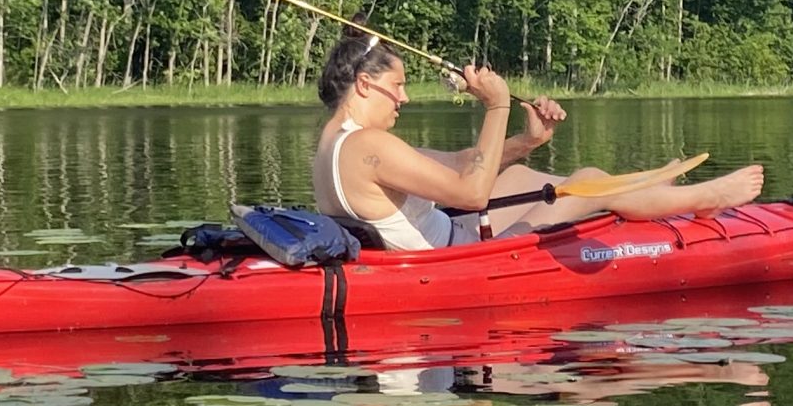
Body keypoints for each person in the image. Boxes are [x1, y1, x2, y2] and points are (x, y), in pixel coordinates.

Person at [310, 27, 763, 250]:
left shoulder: (338, 142)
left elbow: (459, 163)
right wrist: (497, 106)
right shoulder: (369, 146)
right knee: (586, 179)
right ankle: (707, 196)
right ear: (366, 85)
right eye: (399, 86)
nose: (404, 98)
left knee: (525, 172)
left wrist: (526, 140)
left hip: (451, 234)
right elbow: (471, 192)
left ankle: (651, 193)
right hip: (458, 254)